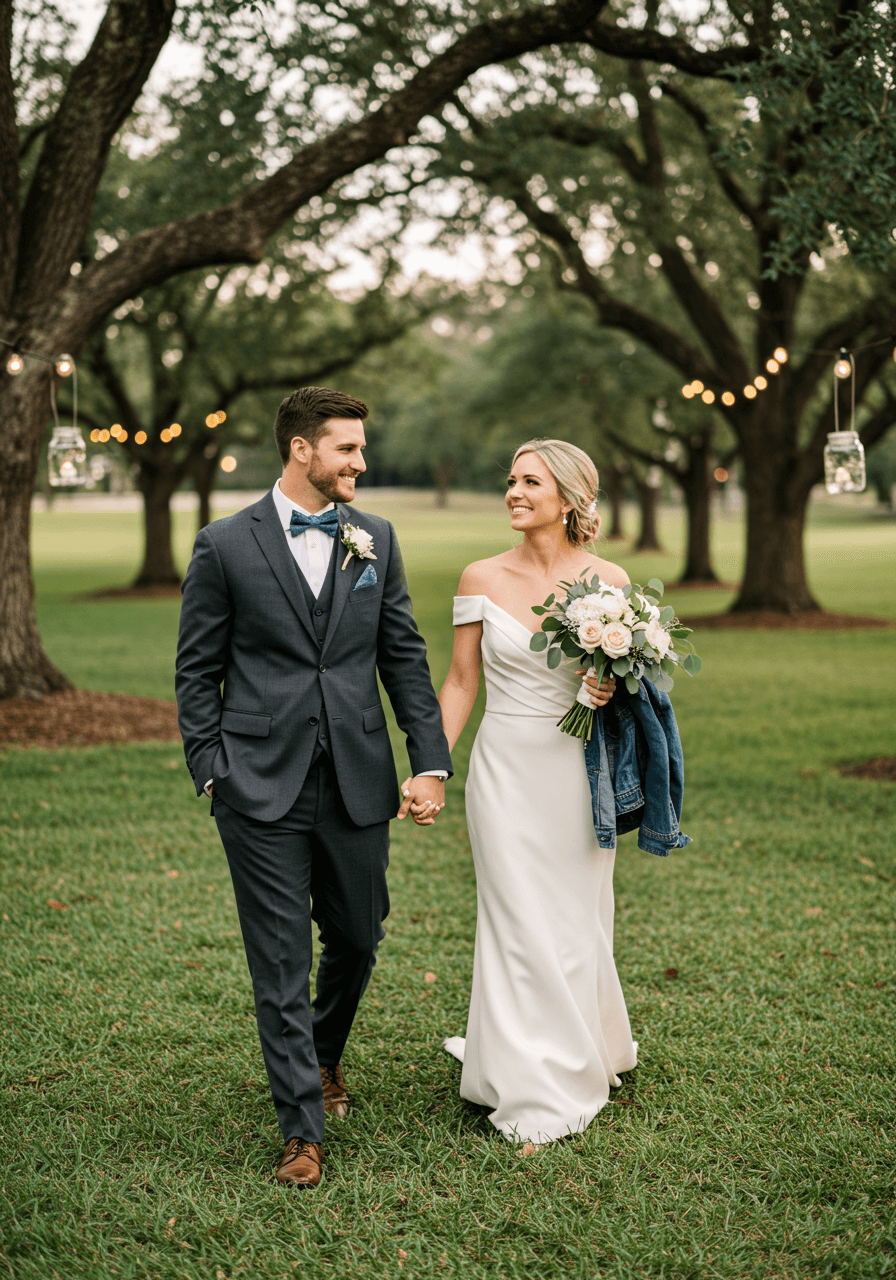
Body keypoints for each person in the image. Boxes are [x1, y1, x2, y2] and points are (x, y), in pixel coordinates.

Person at [175, 386, 452, 1189]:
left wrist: (427, 757)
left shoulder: (376, 539)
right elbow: (197, 671)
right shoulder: (225, 545)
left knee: (359, 937)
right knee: (279, 960)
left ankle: (324, 1055)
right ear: (302, 449)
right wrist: (211, 768)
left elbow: (402, 654)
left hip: (358, 778)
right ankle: (302, 1129)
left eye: (361, 449)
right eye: (348, 449)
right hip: (257, 785)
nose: (361, 463)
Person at [439, 438, 638, 1147]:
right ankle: (534, 1085)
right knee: (517, 919)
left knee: (576, 915)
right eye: (511, 480)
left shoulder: (608, 578)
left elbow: (631, 692)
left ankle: (588, 1045)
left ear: (570, 498)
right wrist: (433, 765)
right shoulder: (480, 577)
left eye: (530, 481)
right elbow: (462, 682)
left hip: (578, 770)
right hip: (504, 769)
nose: (513, 492)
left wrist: (610, 687)